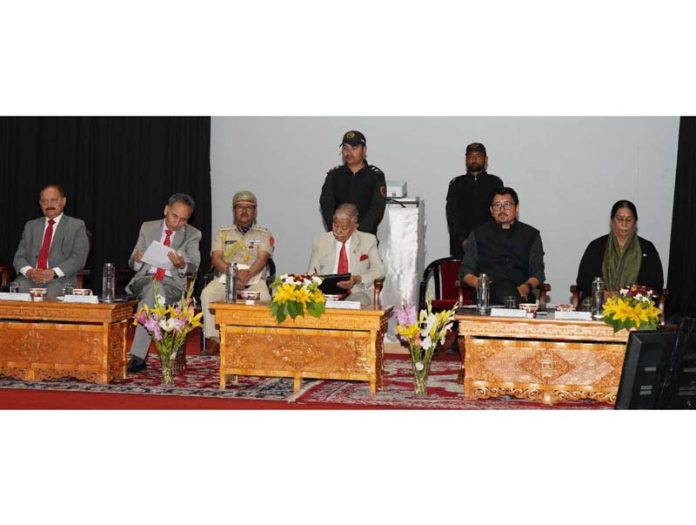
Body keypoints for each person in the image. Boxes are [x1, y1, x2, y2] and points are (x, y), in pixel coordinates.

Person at [125, 193, 201, 373]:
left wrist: (182, 264)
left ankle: (138, 356)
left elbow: (194, 267)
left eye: (184, 220)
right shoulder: (148, 227)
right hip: (144, 279)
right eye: (175, 216)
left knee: (156, 289)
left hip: (172, 286)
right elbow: (133, 264)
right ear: (166, 210)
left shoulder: (193, 234)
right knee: (153, 286)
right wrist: (137, 259)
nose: (178, 223)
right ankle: (143, 351)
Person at [200, 190, 274, 355]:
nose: (244, 211)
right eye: (240, 207)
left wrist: (246, 275)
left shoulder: (263, 234)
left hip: (254, 278)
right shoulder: (223, 232)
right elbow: (216, 258)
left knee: (265, 297)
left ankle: (260, 340)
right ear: (234, 211)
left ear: (255, 212)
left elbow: (262, 259)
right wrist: (233, 273)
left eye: (249, 208)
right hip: (226, 278)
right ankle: (214, 340)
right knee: (207, 293)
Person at [460, 187, 545, 305]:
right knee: (501, 287)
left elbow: (538, 273)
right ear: (491, 210)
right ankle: (513, 310)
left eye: (507, 205)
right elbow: (465, 270)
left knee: (508, 290)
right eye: (497, 205)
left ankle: (512, 306)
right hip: (488, 295)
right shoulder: (478, 234)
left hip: (520, 291)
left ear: (517, 208)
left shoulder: (531, 235)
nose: (502, 209)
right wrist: (478, 283)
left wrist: (526, 287)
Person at [12, 184, 89, 298]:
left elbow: (79, 258)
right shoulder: (31, 226)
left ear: (63, 201)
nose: (49, 205)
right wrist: (29, 271)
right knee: (18, 290)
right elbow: (19, 257)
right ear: (40, 204)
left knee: (51, 293)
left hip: (60, 280)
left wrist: (53, 273)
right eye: (44, 201)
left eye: (53, 200)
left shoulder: (76, 225)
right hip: (29, 279)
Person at [575, 199, 664, 298]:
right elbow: (583, 280)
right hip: (601, 302)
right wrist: (604, 294)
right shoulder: (596, 246)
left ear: (635, 222)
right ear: (612, 221)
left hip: (636, 306)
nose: (624, 224)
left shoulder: (647, 248)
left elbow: (656, 283)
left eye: (629, 219)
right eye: (619, 219)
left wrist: (630, 294)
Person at [308, 203, 386, 306]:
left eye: (344, 227)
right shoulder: (320, 241)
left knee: (357, 302)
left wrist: (357, 279)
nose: (338, 231)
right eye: (335, 225)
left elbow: (380, 270)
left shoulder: (368, 240)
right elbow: (311, 273)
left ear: (354, 227)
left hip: (356, 293)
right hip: (326, 296)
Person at [319, 130, 387, 235]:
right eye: (345, 148)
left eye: (354, 148)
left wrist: (357, 232)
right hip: (337, 237)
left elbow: (377, 209)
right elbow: (326, 205)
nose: (348, 152)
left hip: (365, 238)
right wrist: (339, 229)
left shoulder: (375, 176)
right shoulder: (334, 176)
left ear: (364, 150)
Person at [446, 142, 504, 257]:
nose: (474, 159)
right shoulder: (457, 184)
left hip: (489, 246)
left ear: (486, 159)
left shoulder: (495, 183)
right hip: (461, 247)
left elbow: (498, 214)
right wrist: (463, 240)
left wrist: (484, 239)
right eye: (471, 156)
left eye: (478, 155)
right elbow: (452, 216)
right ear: (465, 159)